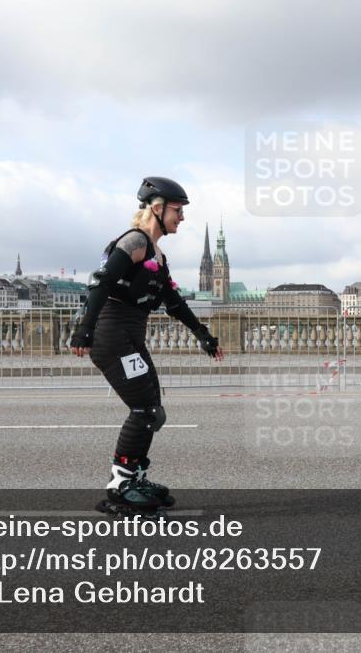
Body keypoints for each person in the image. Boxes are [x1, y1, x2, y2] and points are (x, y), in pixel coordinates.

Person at [70, 177, 223, 514]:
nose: (182, 217)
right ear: (157, 208)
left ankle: (134, 477)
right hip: (112, 336)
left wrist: (203, 334)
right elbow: (101, 283)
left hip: (130, 338)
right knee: (145, 409)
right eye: (177, 210)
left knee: (153, 409)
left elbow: (174, 302)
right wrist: (85, 329)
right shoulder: (135, 241)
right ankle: (121, 485)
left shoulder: (157, 255)